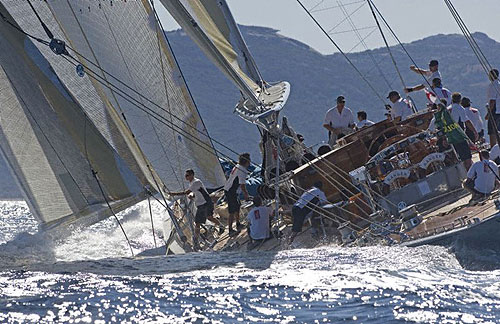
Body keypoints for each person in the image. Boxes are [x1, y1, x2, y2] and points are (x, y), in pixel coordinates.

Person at [168, 169, 225, 248]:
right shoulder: (192, 183)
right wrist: (193, 195)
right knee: (206, 219)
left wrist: (173, 194)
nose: (186, 177)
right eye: (186, 175)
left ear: (192, 175)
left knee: (201, 221)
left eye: (187, 175)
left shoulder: (196, 182)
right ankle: (220, 227)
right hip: (202, 204)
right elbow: (197, 192)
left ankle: (196, 239)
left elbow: (186, 192)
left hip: (205, 203)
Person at [428, 103, 473, 170]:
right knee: (462, 158)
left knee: (465, 158)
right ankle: (466, 173)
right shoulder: (440, 118)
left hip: (457, 139)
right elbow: (431, 131)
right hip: (454, 140)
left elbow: (431, 131)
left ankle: (468, 173)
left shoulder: (438, 118)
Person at [224, 153, 251, 237]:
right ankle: (230, 229)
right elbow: (243, 186)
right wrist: (247, 196)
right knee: (232, 210)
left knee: (238, 205)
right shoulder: (242, 171)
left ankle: (238, 223)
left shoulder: (237, 166)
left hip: (230, 189)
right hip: (230, 191)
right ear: (246, 161)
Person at [486, 69, 500, 146]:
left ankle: (493, 147)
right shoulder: (499, 84)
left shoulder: (492, 86)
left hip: (495, 110)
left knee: (492, 131)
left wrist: (489, 113)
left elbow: (492, 101)